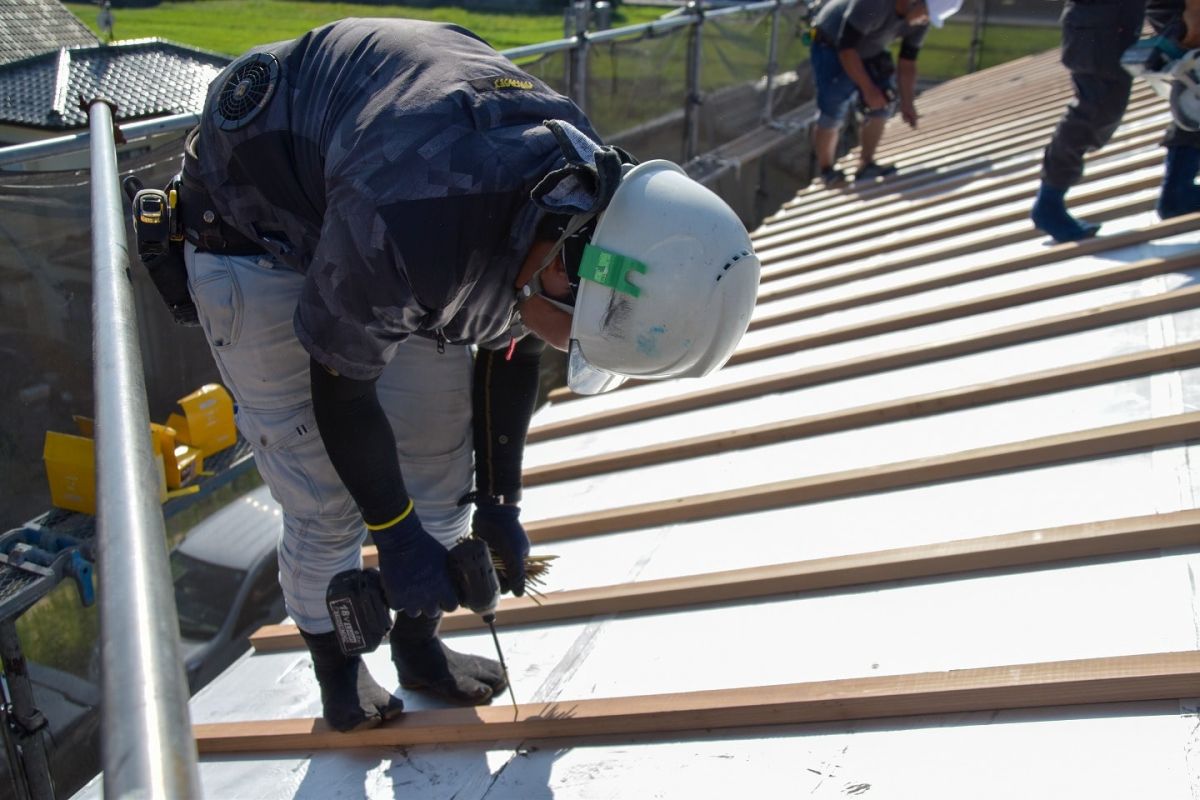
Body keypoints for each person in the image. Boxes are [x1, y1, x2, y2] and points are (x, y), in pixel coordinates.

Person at [176, 18, 760, 732]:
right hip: (253, 226)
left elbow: (511, 350)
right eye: (577, 336)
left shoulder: (588, 213)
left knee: (437, 461)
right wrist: (392, 530)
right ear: (562, 270)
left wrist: (499, 501)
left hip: (385, 205)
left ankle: (420, 650)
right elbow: (341, 384)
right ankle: (338, 671)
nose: (562, 347)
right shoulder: (414, 219)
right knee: (324, 495)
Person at [1031, 0, 1200, 243]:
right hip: (1101, 11)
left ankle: (1179, 189)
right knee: (1100, 105)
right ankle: (1049, 201)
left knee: (1195, 72)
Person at [808, 0, 963, 186]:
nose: (926, 20)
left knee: (883, 103)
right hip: (832, 46)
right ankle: (827, 171)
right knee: (833, 109)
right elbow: (846, 50)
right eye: (926, 14)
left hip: (870, 47)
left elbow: (907, 62)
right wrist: (868, 89)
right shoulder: (874, 4)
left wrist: (907, 102)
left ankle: (866, 164)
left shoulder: (920, 19)